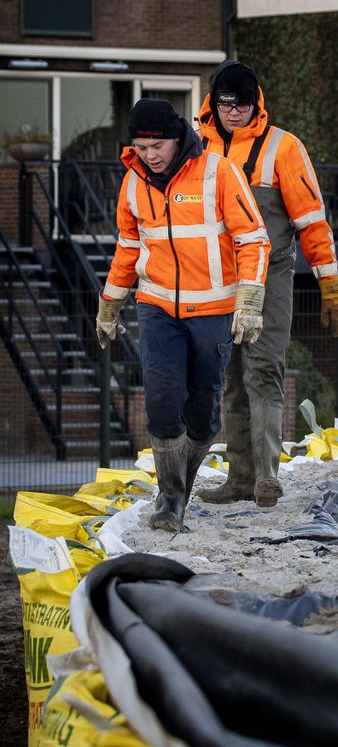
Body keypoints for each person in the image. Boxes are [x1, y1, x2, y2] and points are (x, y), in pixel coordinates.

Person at [96, 98, 270, 532]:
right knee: (161, 397)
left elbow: (254, 239)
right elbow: (128, 248)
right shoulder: (133, 183)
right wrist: (110, 302)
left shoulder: (219, 173)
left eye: (157, 146)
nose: (149, 155)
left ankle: (183, 484)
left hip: (212, 309)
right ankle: (169, 497)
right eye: (140, 146)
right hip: (157, 308)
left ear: (177, 139)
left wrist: (248, 301)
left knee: (202, 406)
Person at [195, 61, 338, 508]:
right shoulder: (197, 148)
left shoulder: (284, 147)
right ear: (214, 104)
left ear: (256, 103)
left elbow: (312, 221)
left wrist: (331, 283)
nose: (234, 114)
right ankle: (239, 478)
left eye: (242, 106)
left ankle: (266, 475)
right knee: (229, 378)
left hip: (270, 273)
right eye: (226, 106)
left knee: (263, 368)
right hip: (216, 279)